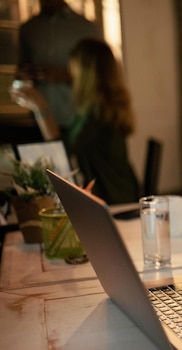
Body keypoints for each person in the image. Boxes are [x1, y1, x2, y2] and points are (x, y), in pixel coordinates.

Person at [10, 38, 139, 205]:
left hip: (113, 198)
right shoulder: (102, 106)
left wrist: (40, 108)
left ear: (86, 73)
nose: (71, 74)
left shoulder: (99, 114)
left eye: (74, 68)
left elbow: (62, 151)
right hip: (119, 189)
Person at [16, 0, 101, 132]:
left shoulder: (86, 28)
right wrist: (22, 77)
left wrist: (65, 76)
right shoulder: (28, 29)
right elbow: (21, 72)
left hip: (76, 118)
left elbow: (100, 75)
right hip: (38, 120)